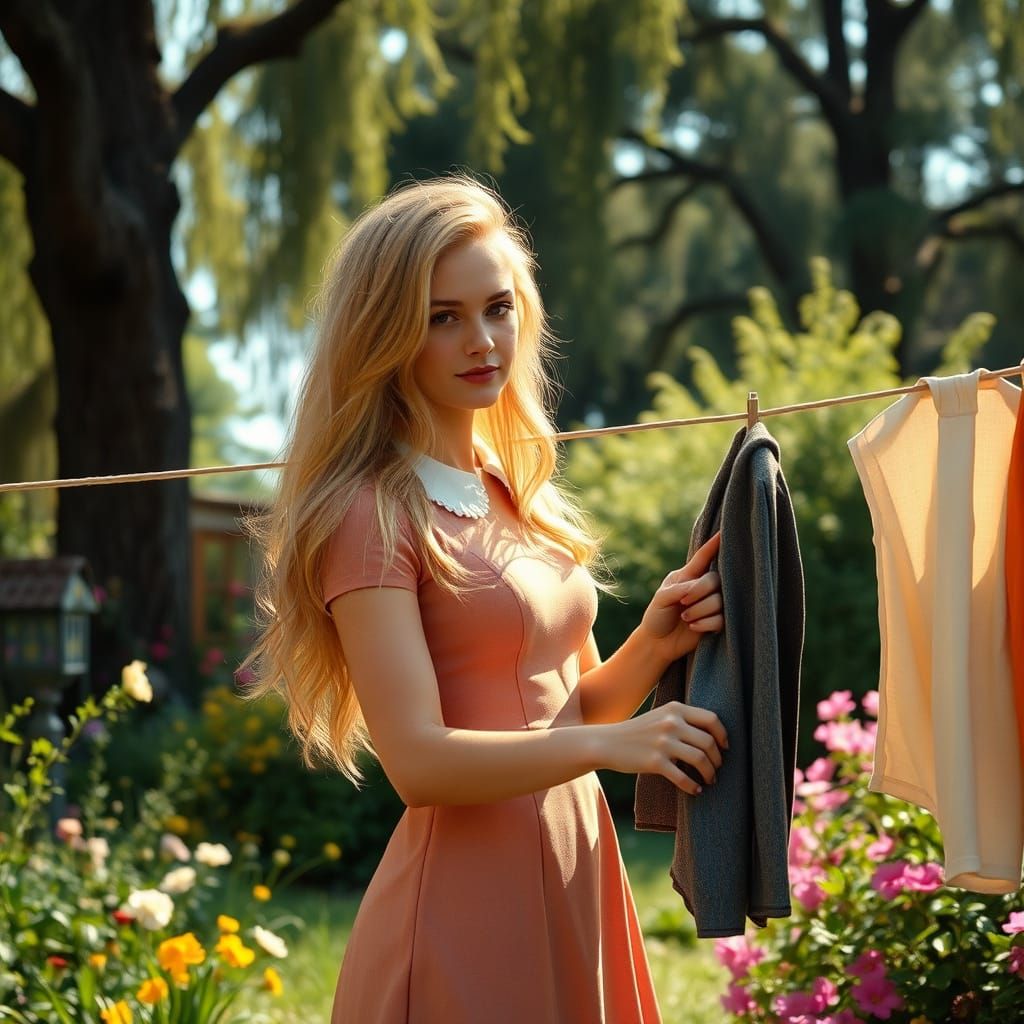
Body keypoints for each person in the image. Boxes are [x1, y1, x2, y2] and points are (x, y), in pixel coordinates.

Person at [245, 175, 727, 1024]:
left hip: (576, 859)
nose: (482, 340)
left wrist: (653, 644)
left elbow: (571, 711)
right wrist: (619, 743)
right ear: (385, 332)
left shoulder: (512, 489)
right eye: (443, 316)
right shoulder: (371, 512)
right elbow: (419, 763)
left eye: (498, 308)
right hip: (466, 905)